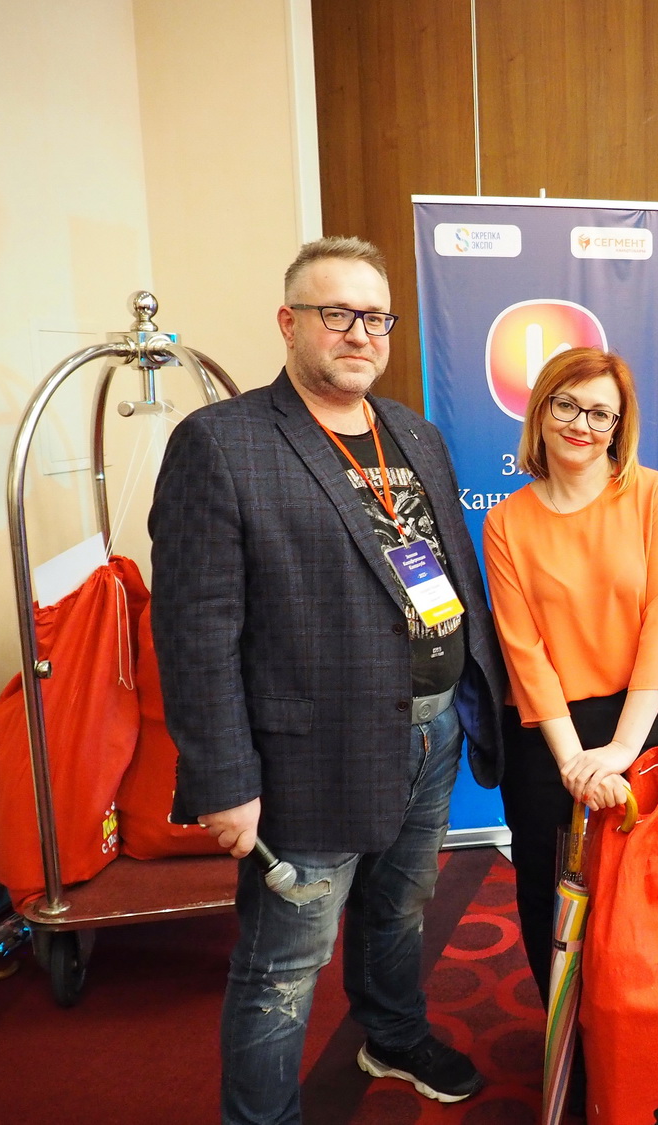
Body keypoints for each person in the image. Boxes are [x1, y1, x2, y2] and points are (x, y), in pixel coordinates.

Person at [149, 236, 506, 1122]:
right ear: (289, 322)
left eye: (375, 317)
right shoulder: (221, 443)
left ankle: (392, 1032)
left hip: (430, 728)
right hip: (310, 752)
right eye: (336, 313)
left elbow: (444, 570)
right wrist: (224, 781)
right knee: (285, 960)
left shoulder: (412, 432)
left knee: (401, 905)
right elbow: (195, 631)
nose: (359, 334)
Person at [482, 346, 658, 1014]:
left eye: (602, 413)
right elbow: (524, 651)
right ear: (541, 411)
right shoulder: (505, 521)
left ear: (619, 426)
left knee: (647, 903)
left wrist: (622, 750)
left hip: (636, 725)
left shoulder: (657, 496)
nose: (582, 424)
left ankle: (643, 1045)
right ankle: (567, 1048)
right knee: (552, 905)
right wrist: (574, 761)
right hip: (550, 740)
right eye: (567, 405)